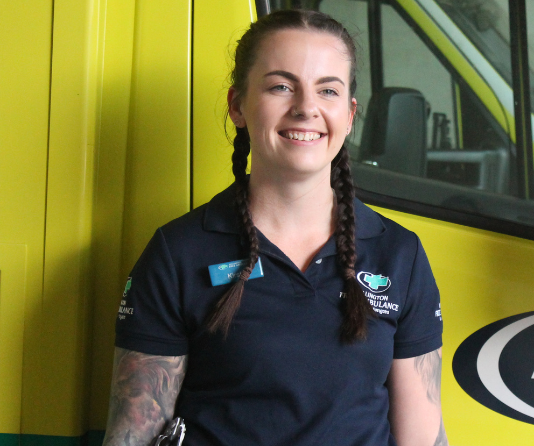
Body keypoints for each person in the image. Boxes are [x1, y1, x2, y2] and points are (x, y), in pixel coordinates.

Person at [102, 9, 447, 446]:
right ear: (237, 105)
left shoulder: (399, 254)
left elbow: (422, 439)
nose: (306, 108)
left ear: (350, 113)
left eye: (328, 90)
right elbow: (132, 435)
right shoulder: (179, 252)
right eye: (281, 86)